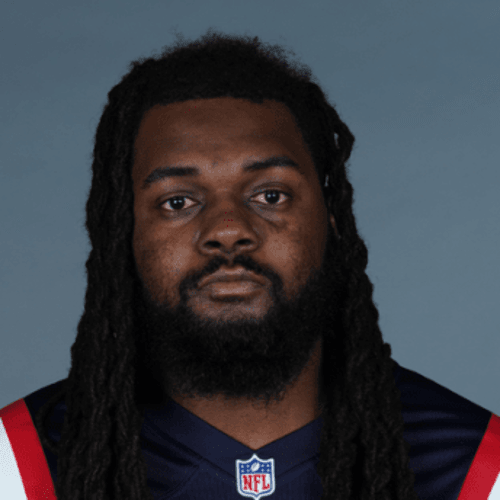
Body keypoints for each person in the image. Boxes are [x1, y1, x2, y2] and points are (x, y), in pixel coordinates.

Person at [1, 28, 499, 500]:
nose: (227, 229)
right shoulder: (18, 467)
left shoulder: (477, 469)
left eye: (270, 195)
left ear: (332, 221)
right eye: (178, 201)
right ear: (122, 234)